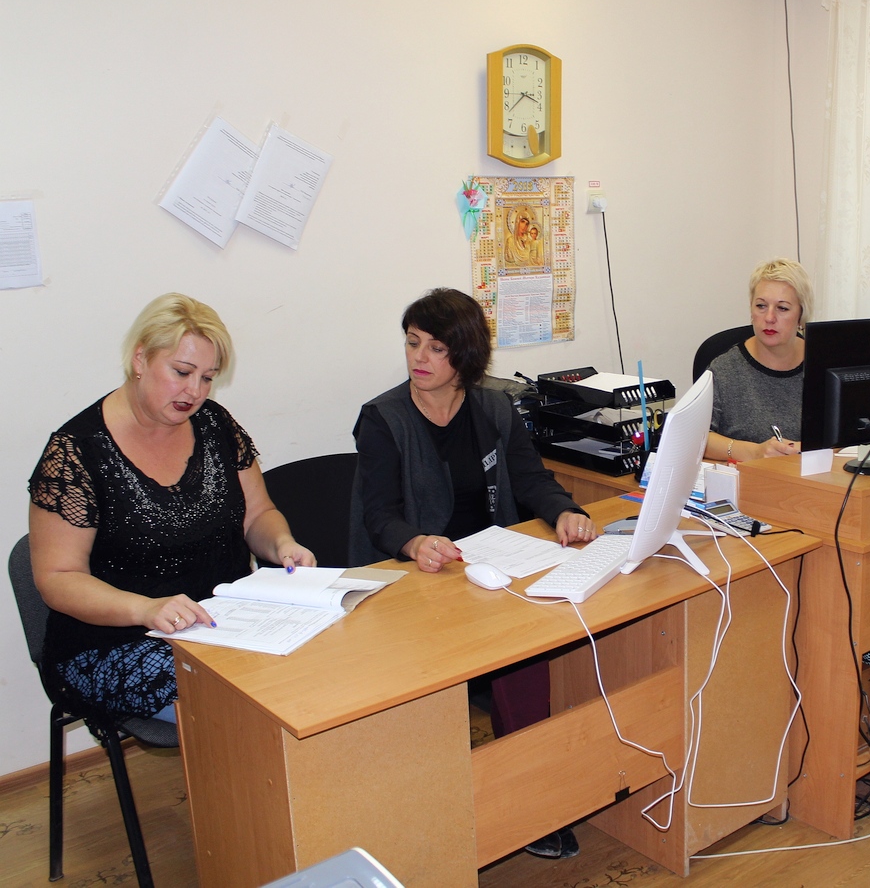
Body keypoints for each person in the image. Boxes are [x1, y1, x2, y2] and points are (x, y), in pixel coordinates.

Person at [349, 287, 594, 858]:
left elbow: (530, 478)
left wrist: (564, 511)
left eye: (436, 348)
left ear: (465, 356)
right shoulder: (383, 419)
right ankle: (429, 820)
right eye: (413, 343)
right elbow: (378, 515)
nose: (420, 358)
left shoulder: (493, 408)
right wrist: (415, 542)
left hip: (489, 562)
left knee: (529, 643)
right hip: (416, 577)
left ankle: (528, 796)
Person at [27, 294, 316, 724]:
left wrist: (282, 544)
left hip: (224, 622)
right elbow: (58, 578)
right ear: (140, 359)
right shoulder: (76, 452)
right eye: (181, 372)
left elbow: (257, 516)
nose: (194, 392)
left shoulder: (215, 425)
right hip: (115, 642)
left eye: (207, 378)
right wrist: (145, 609)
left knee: (320, 665)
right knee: (247, 706)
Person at [704, 257, 812, 462]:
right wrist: (754, 452)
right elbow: (697, 438)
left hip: (812, 478)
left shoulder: (823, 364)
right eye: (761, 306)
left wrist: (812, 448)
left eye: (782, 308)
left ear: (801, 315)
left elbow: (851, 431)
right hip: (747, 477)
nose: (769, 318)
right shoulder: (724, 369)